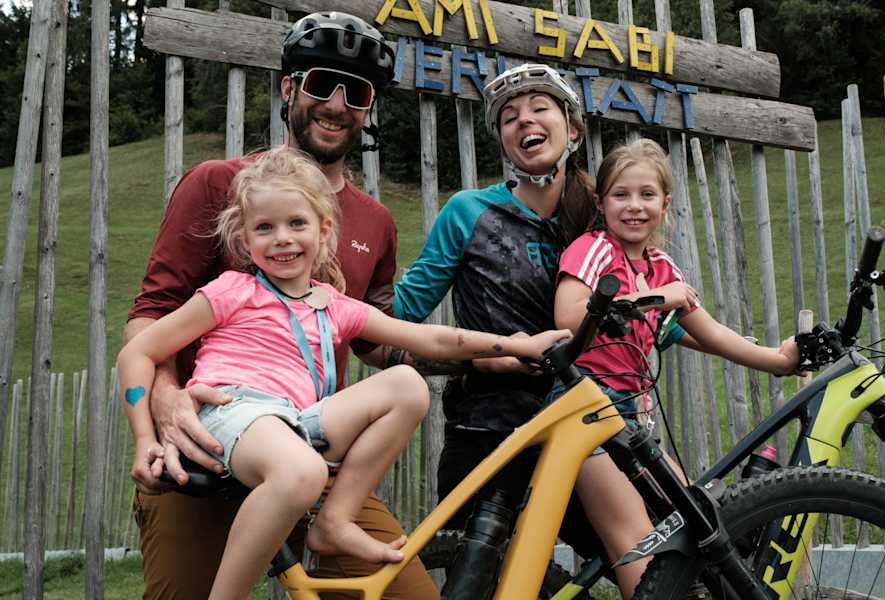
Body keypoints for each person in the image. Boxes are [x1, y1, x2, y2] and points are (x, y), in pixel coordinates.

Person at [119, 148, 569, 600]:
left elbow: (431, 340)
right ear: (244, 238)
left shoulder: (332, 304)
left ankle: (335, 519)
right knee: (302, 471)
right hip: (231, 409)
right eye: (264, 228)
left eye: (296, 224)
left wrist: (516, 345)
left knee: (408, 387)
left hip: (295, 420)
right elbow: (138, 350)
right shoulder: (232, 290)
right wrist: (145, 439)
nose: (282, 239)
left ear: (323, 229)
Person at [125, 13, 439, 599]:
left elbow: (373, 340)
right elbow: (152, 312)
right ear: (288, 88)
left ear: (369, 109)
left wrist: (481, 356)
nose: (337, 103)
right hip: (203, 451)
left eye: (358, 91)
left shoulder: (376, 220)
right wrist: (165, 399)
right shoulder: (219, 183)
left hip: (314, 452)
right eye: (322, 83)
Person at [552, 138, 800, 597]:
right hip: (582, 412)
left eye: (647, 195)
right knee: (635, 542)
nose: (634, 207)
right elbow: (569, 319)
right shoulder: (593, 250)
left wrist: (779, 362)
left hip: (631, 420)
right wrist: (653, 299)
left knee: (697, 521)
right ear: (601, 202)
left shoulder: (662, 266)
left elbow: (711, 333)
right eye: (621, 195)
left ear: (665, 203)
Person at [392, 63, 606, 555]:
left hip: (584, 425)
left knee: (649, 561)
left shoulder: (603, 212)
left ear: (572, 128)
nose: (524, 121)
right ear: (503, 141)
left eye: (539, 108)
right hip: (487, 431)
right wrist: (479, 359)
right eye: (509, 117)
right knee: (484, 575)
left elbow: (648, 303)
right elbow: (392, 324)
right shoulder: (468, 212)